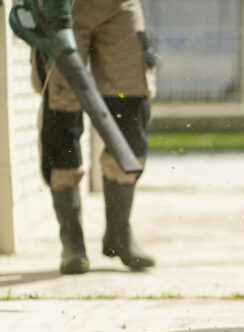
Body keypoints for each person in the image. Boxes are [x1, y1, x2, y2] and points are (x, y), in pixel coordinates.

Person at [33, 0, 156, 274]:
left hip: (119, 6)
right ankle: (72, 243)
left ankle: (119, 234)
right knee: (61, 114)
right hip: (61, 6)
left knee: (131, 107)